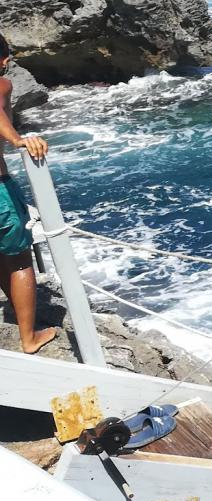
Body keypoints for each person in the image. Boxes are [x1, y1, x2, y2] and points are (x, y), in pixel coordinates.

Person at [0, 34, 54, 355]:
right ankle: (29, 337)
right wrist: (19, 140)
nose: (6, 64)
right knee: (19, 259)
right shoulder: (2, 84)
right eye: (4, 58)